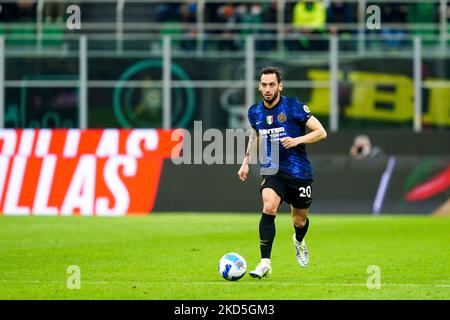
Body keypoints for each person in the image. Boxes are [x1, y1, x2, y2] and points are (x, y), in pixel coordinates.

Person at [237, 66, 327, 278]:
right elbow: (256, 135)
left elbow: (321, 132)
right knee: (269, 206)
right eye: (264, 85)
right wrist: (245, 161)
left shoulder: (293, 106)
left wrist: (297, 140)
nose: (268, 89)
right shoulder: (255, 112)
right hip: (272, 169)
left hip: (299, 171)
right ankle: (265, 262)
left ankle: (298, 240)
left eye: (272, 84)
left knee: (299, 220)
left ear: (280, 86)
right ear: (259, 87)